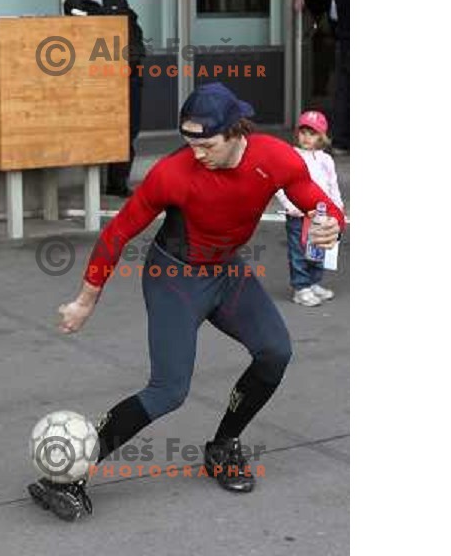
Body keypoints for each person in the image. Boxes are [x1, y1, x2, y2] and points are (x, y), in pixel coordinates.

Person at [28, 83, 344, 519]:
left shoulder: (275, 158)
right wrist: (85, 300)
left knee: (275, 353)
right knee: (168, 390)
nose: (197, 153)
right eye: (190, 143)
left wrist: (332, 224)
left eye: (207, 144)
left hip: (226, 272)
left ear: (236, 132)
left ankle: (222, 445)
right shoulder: (172, 173)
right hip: (173, 278)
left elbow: (318, 203)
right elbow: (118, 232)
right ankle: (69, 474)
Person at [63, 0, 146, 198]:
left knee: (130, 127)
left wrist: (137, 54)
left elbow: (134, 26)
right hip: (98, 75)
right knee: (104, 126)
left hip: (128, 70)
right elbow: (71, 14)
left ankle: (117, 183)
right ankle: (100, 183)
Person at [275, 111, 344, 307]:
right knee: (299, 251)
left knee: (319, 248)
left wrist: (337, 207)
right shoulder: (291, 156)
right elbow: (280, 185)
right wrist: (290, 206)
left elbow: (332, 185)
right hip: (299, 214)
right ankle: (301, 287)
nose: (306, 137)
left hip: (322, 214)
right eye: (303, 132)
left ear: (321, 137)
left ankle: (314, 282)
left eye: (312, 133)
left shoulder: (326, 160)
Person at [297, 0, 350, 153]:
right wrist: (305, 1)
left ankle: (342, 140)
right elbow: (321, 5)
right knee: (343, 90)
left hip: (344, 41)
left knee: (344, 91)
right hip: (343, 42)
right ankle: (342, 140)